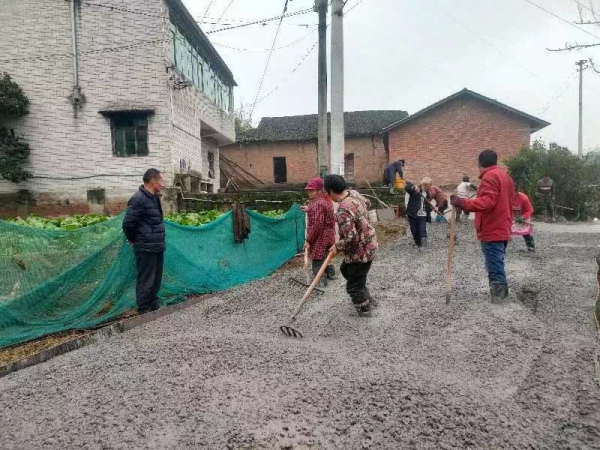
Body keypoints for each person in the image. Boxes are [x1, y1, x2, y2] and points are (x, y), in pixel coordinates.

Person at [451, 149, 514, 302]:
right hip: (502, 225)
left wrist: (462, 202)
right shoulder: (505, 177)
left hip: (492, 227)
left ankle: (499, 296)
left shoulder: (490, 177)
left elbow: (487, 203)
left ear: (480, 163)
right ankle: (500, 293)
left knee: (494, 262)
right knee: (496, 260)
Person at [324, 175, 378, 315]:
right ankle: (365, 294)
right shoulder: (354, 194)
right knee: (345, 269)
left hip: (361, 251)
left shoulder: (343, 209)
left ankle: (365, 310)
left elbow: (351, 237)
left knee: (353, 286)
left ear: (330, 191)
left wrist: (337, 246)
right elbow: (368, 203)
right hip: (370, 243)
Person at [122, 168, 167, 314]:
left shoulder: (154, 197)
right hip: (145, 246)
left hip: (157, 245)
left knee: (156, 277)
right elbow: (128, 224)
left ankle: (153, 303)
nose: (163, 184)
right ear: (153, 181)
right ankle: (144, 308)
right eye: (161, 181)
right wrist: (134, 239)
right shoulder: (138, 199)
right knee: (146, 278)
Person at [302, 177, 337, 287]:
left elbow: (317, 224)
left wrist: (308, 240)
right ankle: (331, 273)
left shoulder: (318, 203)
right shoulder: (325, 200)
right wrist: (309, 209)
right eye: (308, 190)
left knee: (317, 258)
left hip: (320, 235)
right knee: (325, 255)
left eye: (312, 190)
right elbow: (321, 214)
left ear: (319, 190)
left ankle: (321, 280)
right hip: (329, 234)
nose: (309, 193)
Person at [405, 180, 431, 247]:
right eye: (428, 186)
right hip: (412, 213)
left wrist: (431, 210)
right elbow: (407, 187)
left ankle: (423, 244)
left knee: (422, 230)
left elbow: (427, 204)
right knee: (414, 230)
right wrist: (413, 188)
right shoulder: (415, 189)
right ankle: (418, 242)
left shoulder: (427, 193)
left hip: (422, 215)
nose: (429, 188)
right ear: (424, 185)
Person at [512, 186, 535, 252]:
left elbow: (530, 209)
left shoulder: (523, 198)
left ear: (516, 192)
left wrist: (522, 217)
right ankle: (502, 248)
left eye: (512, 192)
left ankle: (531, 247)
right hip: (512, 216)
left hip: (523, 216)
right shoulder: (506, 197)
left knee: (525, 232)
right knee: (506, 231)